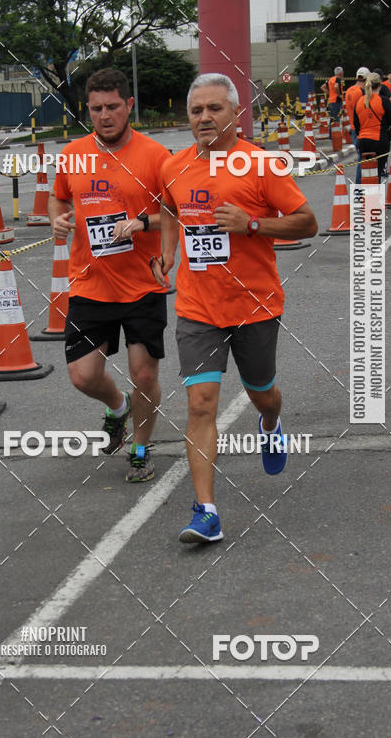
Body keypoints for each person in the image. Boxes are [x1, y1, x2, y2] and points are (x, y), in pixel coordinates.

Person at [152, 73, 318, 543]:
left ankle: (270, 422)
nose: (204, 118)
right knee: (200, 403)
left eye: (214, 109)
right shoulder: (174, 166)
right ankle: (205, 510)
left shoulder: (260, 164)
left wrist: (253, 224)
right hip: (197, 308)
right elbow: (168, 208)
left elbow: (307, 222)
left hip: (255, 306)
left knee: (262, 392)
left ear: (235, 113)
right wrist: (168, 252)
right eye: (196, 110)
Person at [49, 68, 170, 482]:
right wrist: (59, 220)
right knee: (83, 376)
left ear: (129, 105)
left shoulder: (156, 157)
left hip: (142, 283)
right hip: (90, 282)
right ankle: (118, 407)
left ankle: (140, 447)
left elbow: (175, 216)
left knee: (145, 373)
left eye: (113, 107)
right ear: (89, 109)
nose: (105, 115)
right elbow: (58, 199)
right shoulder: (73, 154)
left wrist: (142, 223)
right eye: (97, 108)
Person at [354, 72, 391, 181]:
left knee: (366, 173)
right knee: (377, 173)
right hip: (379, 141)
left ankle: (364, 196)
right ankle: (373, 197)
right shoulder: (383, 101)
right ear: (380, 85)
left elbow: (356, 125)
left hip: (362, 141)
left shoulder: (359, 101)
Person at [345, 67, 369, 182]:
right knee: (363, 159)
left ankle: (361, 185)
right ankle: (359, 185)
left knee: (362, 157)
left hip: (353, 128)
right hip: (361, 128)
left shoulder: (349, 90)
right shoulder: (361, 92)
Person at [321, 66, 344, 133]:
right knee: (336, 118)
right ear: (341, 73)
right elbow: (336, 86)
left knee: (332, 119)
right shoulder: (338, 79)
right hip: (336, 101)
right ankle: (336, 135)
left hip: (331, 101)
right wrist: (339, 95)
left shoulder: (330, 79)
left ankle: (331, 135)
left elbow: (323, 87)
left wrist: (330, 93)